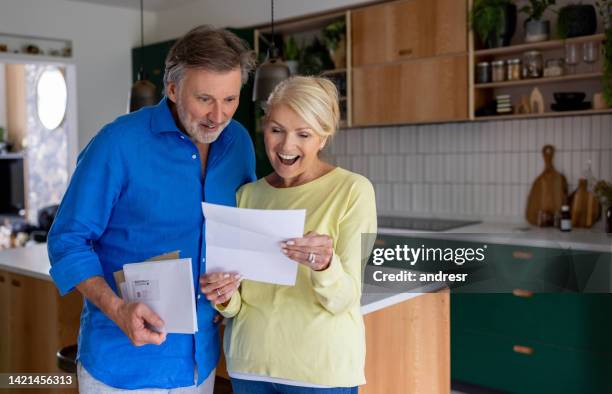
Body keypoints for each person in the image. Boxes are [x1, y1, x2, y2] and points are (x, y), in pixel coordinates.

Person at [47, 25, 256, 393]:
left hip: (201, 360)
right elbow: (68, 240)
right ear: (172, 89)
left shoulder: (238, 142)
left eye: (230, 99)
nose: (218, 116)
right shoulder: (118, 143)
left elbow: (241, 228)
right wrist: (116, 308)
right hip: (123, 365)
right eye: (205, 99)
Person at [200, 76, 377, 393]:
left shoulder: (352, 191)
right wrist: (224, 295)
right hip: (249, 365)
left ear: (323, 137)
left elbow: (345, 299)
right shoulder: (247, 195)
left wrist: (324, 265)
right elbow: (239, 305)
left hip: (319, 371)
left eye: (303, 134)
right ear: (264, 127)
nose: (286, 146)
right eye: (276, 130)